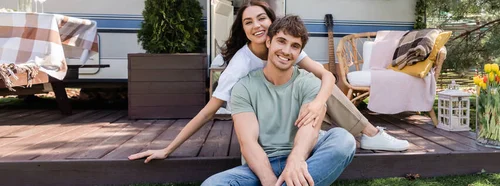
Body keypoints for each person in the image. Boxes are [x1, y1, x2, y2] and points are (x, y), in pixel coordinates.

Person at [128, 0, 407, 164]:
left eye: (261, 18)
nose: (256, 25)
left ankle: (368, 134)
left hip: (296, 116)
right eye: (248, 22)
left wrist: (319, 102)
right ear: (244, 30)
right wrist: (168, 148)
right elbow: (208, 111)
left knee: (314, 81)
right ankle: (357, 134)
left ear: (272, 24)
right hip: (263, 133)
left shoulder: (284, 45)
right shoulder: (240, 64)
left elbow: (327, 76)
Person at [202, 15, 355, 186]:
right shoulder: (244, 87)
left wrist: (295, 160)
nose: (286, 51)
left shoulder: (309, 83)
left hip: (304, 160)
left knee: (344, 140)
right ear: (268, 42)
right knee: (213, 184)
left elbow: (309, 130)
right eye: (281, 41)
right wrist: (268, 180)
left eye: (295, 46)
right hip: (259, 166)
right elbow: (248, 142)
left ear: (299, 53)